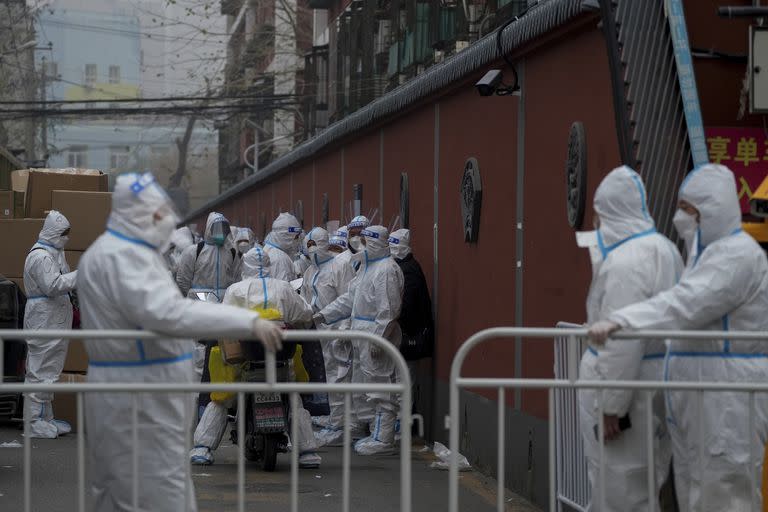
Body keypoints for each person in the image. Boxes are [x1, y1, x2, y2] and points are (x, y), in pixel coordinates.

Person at [77, 171, 282, 512]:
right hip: (138, 397)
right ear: (137, 214)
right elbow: (168, 313)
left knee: (128, 491)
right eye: (159, 213)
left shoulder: (120, 252)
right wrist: (245, 321)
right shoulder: (121, 257)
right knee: (154, 492)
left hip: (137, 392)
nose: (168, 220)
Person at [588, 163, 768, 512]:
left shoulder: (737, 256)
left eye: (687, 210)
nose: (679, 218)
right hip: (703, 398)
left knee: (723, 493)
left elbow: (686, 304)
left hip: (725, 400)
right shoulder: (706, 255)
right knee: (699, 492)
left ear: (710, 211)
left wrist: (623, 320)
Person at [576, 166, 682, 511]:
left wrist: (611, 405)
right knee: (643, 484)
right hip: (651, 386)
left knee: (618, 489)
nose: (596, 223)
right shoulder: (664, 249)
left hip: (628, 396)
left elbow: (621, 339)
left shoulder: (626, 262)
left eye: (599, 214)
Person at [191, 247, 321, 468]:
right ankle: (307, 453)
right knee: (294, 400)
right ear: (269, 265)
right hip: (281, 365)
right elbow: (305, 315)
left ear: (245, 265)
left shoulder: (235, 289)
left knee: (222, 399)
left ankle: (203, 448)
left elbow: (225, 320)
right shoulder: (284, 288)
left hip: (242, 365)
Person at [315, 225, 404, 455]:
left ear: (373, 243)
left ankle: (384, 439)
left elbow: (389, 311)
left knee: (381, 386)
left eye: (364, 241)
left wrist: (379, 340)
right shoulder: (366, 268)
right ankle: (373, 432)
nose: (359, 245)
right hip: (362, 334)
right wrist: (324, 314)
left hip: (375, 334)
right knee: (365, 386)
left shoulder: (386, 270)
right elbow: (349, 300)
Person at [22, 210, 78, 438]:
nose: (67, 238)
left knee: (50, 369)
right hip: (44, 319)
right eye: (64, 234)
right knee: (39, 370)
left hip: (52, 319)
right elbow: (53, 285)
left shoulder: (54, 253)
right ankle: (33, 422)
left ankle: (45, 417)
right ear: (55, 233)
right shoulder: (40, 257)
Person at [299, 227, 357, 446]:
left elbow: (347, 299)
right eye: (309, 245)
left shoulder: (339, 266)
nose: (313, 249)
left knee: (339, 376)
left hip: (336, 330)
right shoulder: (310, 271)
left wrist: (345, 329)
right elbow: (305, 299)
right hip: (318, 330)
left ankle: (343, 423)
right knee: (326, 375)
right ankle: (335, 418)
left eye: (317, 244)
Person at [175, 212, 238, 300]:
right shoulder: (194, 251)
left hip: (224, 303)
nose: (221, 232)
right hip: (199, 304)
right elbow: (183, 279)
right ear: (209, 229)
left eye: (223, 229)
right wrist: (194, 297)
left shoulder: (231, 252)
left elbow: (236, 278)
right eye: (217, 229)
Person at [263, 212, 302, 282]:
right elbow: (284, 288)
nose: (298, 240)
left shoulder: (266, 250)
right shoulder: (280, 259)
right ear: (286, 236)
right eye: (296, 237)